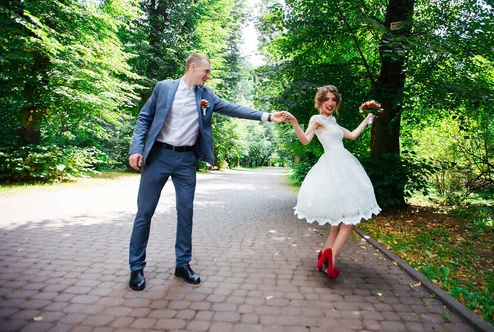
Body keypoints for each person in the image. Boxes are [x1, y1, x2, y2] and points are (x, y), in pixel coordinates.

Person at [127, 53, 286, 290]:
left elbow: (234, 108)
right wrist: (136, 148)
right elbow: (144, 118)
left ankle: (183, 264)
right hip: (158, 156)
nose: (208, 76)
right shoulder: (163, 88)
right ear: (193, 67)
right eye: (207, 71)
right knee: (144, 213)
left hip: (185, 161)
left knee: (186, 212)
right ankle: (136, 268)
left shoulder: (206, 96)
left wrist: (268, 116)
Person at [284, 85, 380, 279]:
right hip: (333, 165)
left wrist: (367, 120)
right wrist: (295, 122)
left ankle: (324, 256)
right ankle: (332, 256)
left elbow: (352, 135)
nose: (330, 103)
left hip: (345, 164)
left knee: (338, 221)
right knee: (350, 218)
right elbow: (305, 140)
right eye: (326, 99)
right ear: (320, 102)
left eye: (334, 99)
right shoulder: (316, 120)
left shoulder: (333, 121)